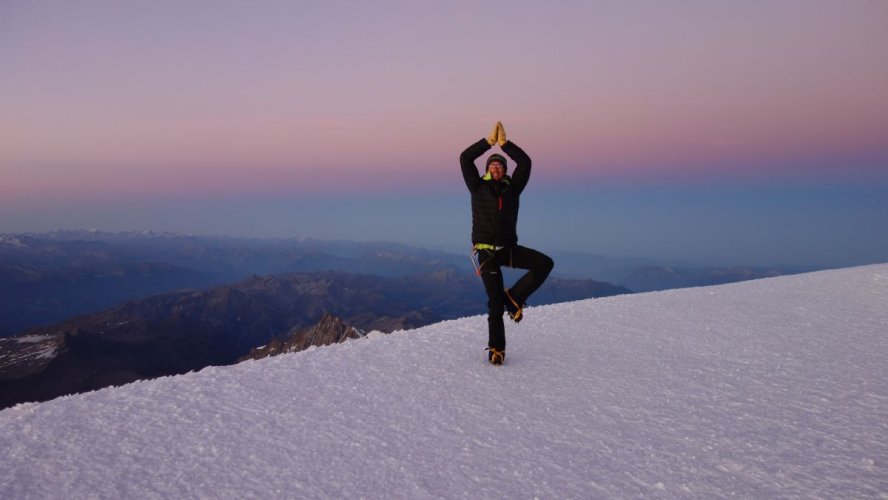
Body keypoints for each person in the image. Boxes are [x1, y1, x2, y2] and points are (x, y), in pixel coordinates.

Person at [460, 121, 554, 366]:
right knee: (494, 302)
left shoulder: (514, 189)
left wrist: (505, 145)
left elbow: (525, 163)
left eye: (499, 164)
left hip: (509, 249)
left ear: (504, 170)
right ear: (488, 169)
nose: (496, 167)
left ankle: (514, 298)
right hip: (487, 254)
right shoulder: (477, 186)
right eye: (492, 164)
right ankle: (497, 349)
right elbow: (465, 158)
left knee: (544, 264)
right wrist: (488, 143)